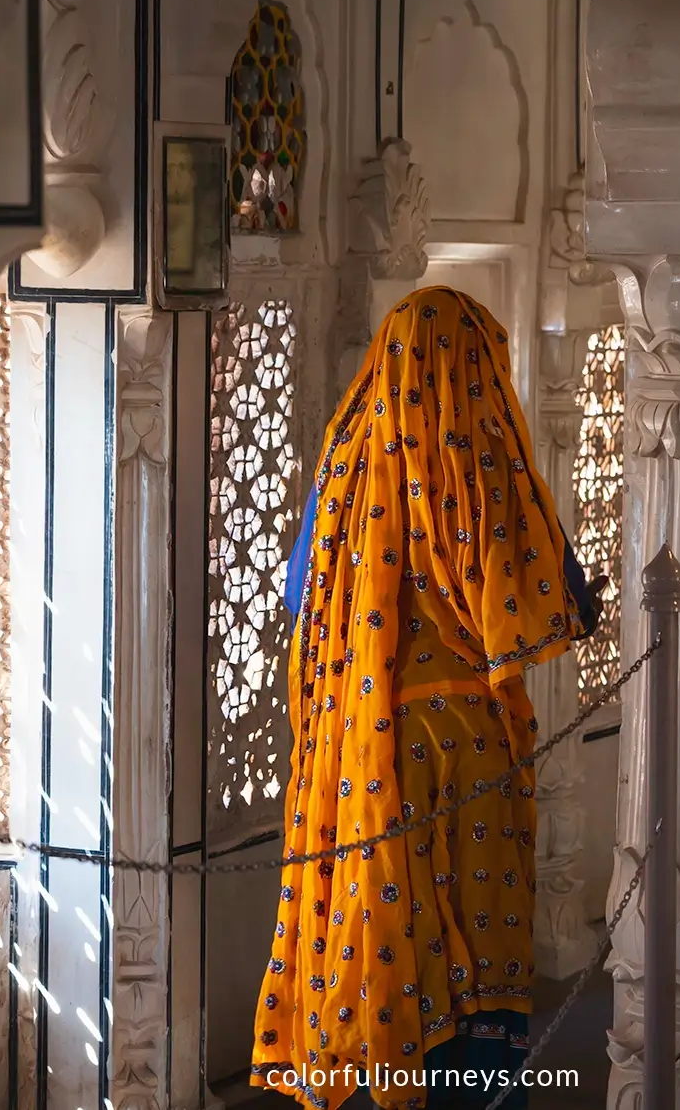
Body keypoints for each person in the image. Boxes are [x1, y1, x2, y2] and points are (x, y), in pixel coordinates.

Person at [252, 286, 605, 1110]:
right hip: (468, 735)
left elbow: (299, 593)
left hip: (365, 742)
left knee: (385, 936)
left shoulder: (347, 455)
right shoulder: (480, 448)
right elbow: (558, 597)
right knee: (478, 950)